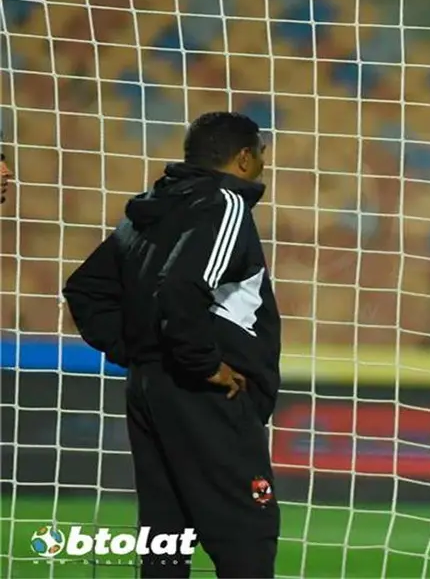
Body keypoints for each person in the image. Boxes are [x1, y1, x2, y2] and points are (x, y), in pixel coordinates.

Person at [62, 111, 281, 578]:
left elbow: (86, 289)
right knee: (246, 535)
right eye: (262, 154)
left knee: (165, 541)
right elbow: (182, 285)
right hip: (206, 396)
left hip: (150, 390)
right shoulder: (225, 204)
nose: (264, 164)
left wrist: (143, 354)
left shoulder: (153, 208)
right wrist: (204, 364)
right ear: (244, 158)